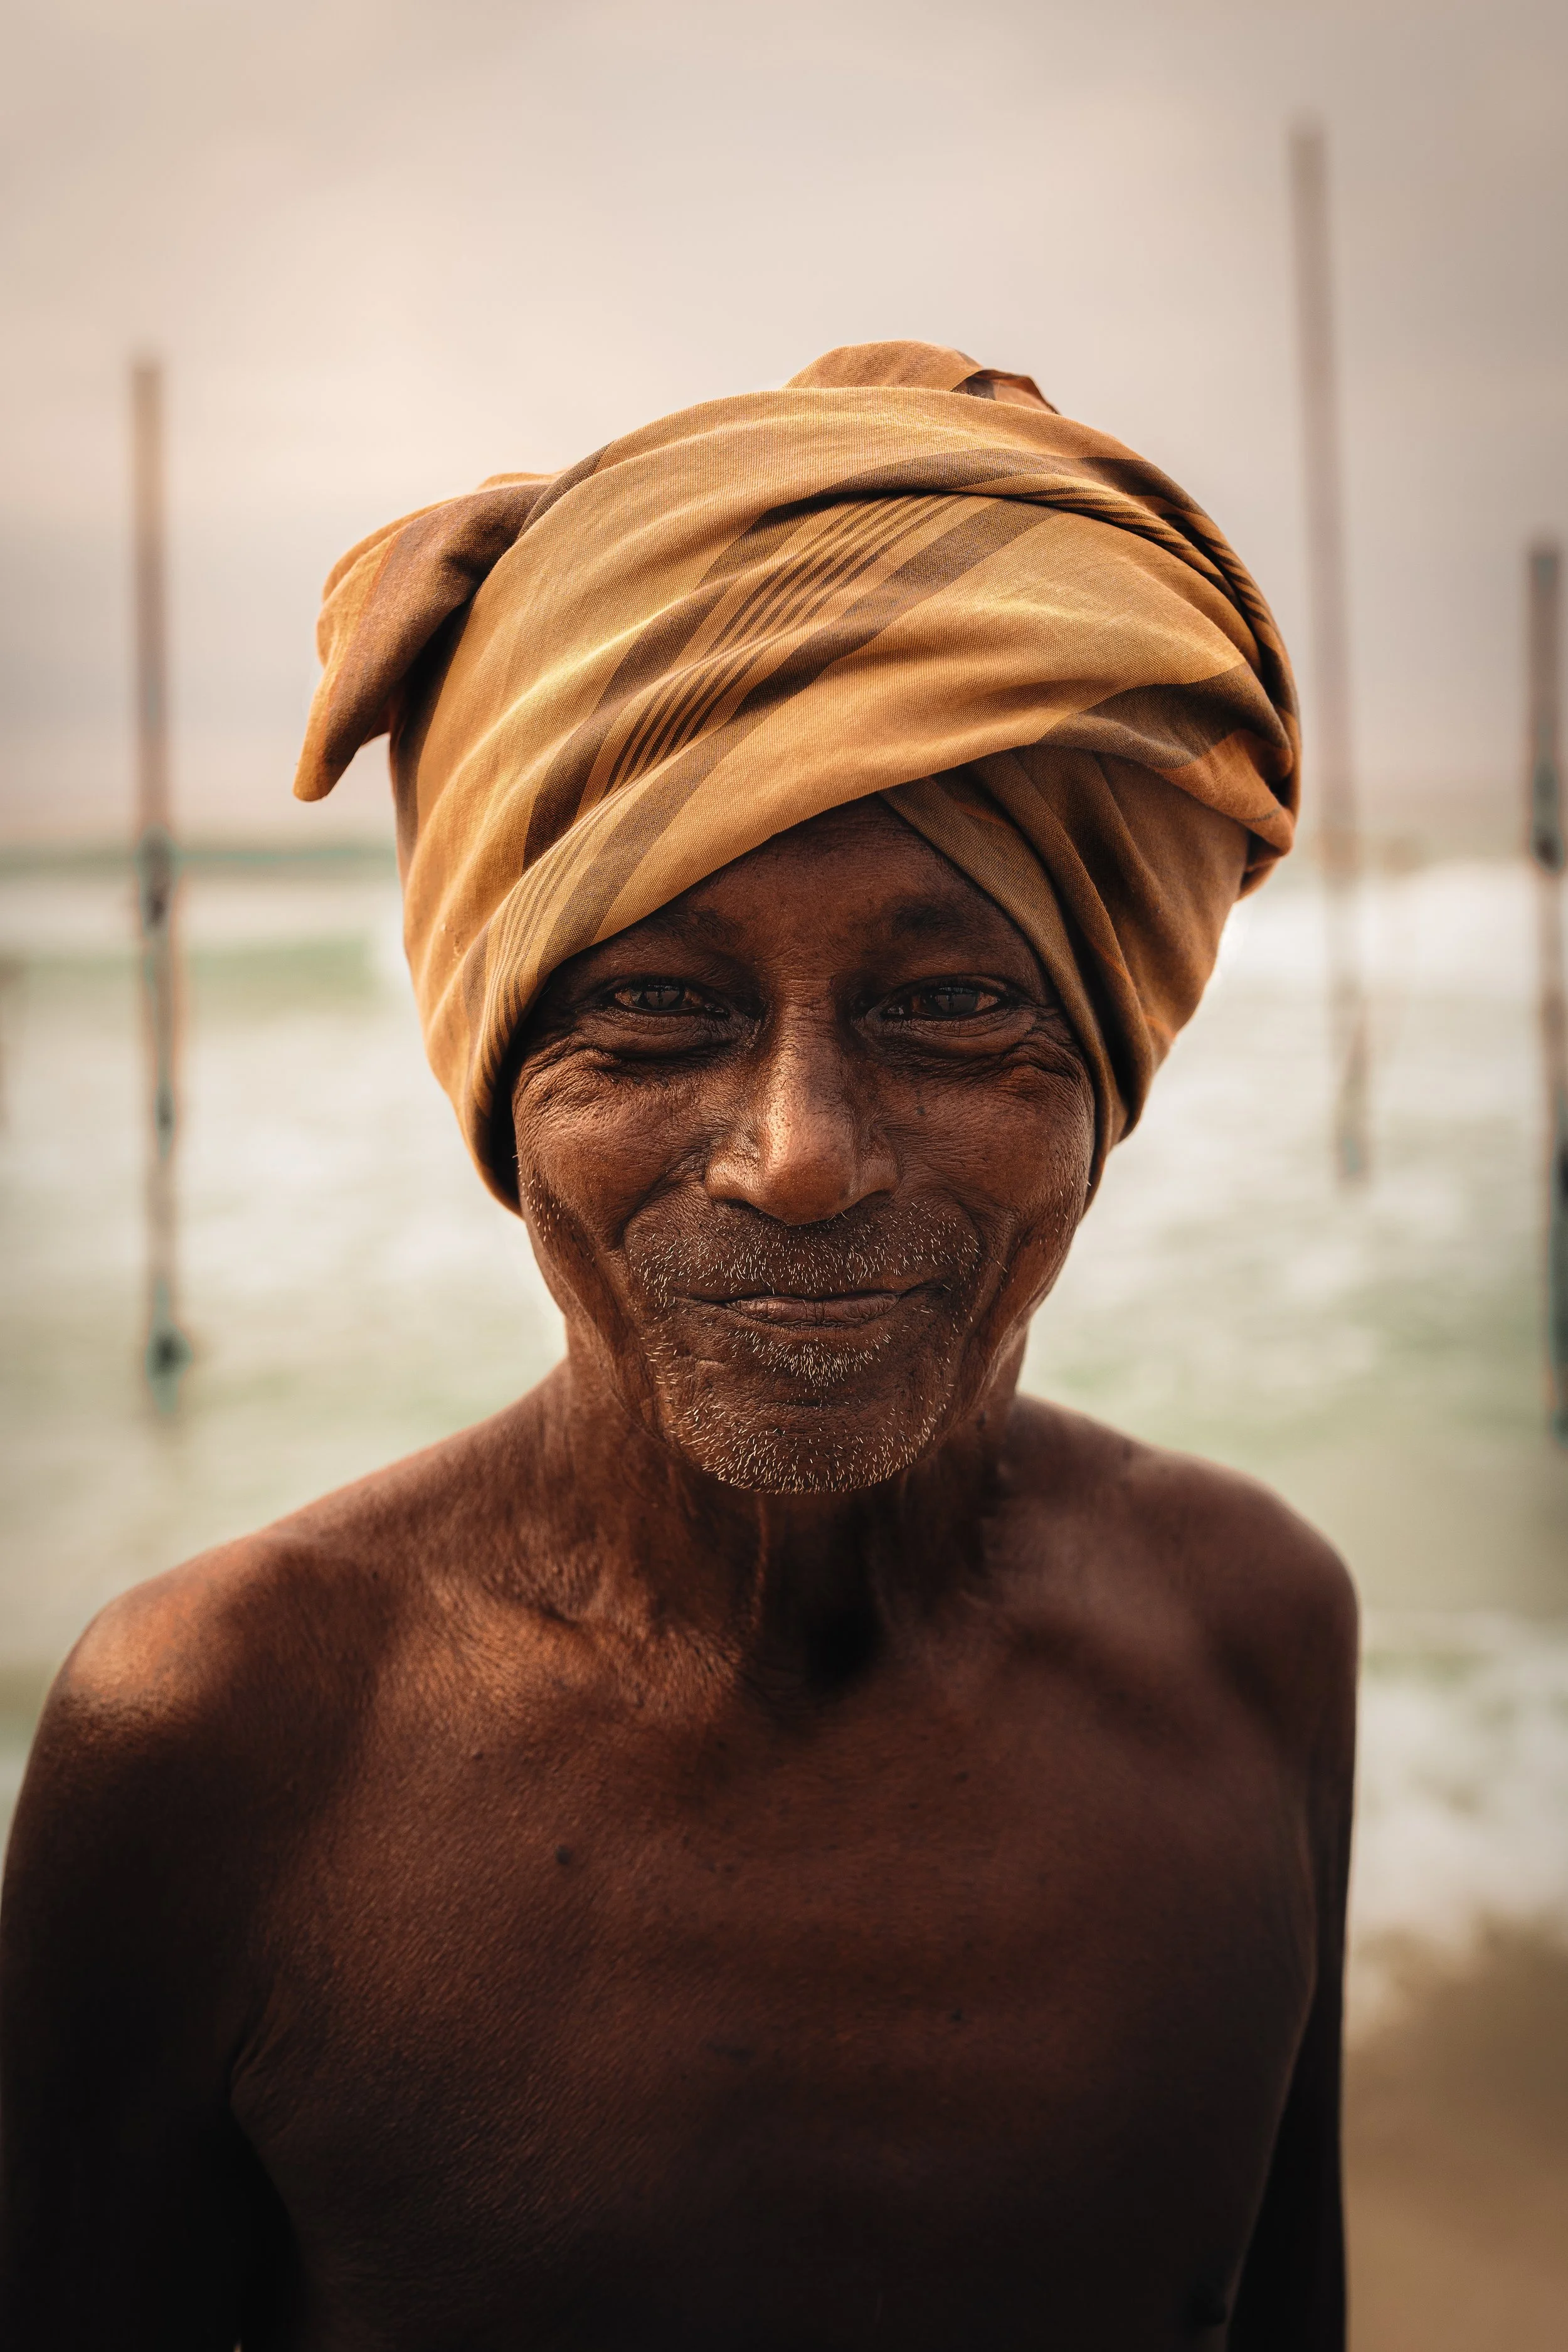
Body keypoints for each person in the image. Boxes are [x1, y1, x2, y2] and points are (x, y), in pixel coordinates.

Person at [0, 342, 1356, 2350]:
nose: (796, 1158)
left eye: (950, 1006)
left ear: (1110, 1050)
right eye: (651, 1010)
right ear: (498, 1079)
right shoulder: (218, 1738)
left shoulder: (1253, 1634)